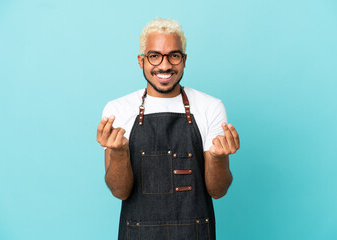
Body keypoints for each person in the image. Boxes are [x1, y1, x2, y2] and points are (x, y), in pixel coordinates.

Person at [96, 18, 240, 240]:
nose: (164, 66)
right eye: (154, 56)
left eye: (174, 55)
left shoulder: (210, 107)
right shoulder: (118, 109)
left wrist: (219, 159)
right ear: (141, 60)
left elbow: (218, 191)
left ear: (184, 60)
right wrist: (118, 152)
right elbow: (120, 191)